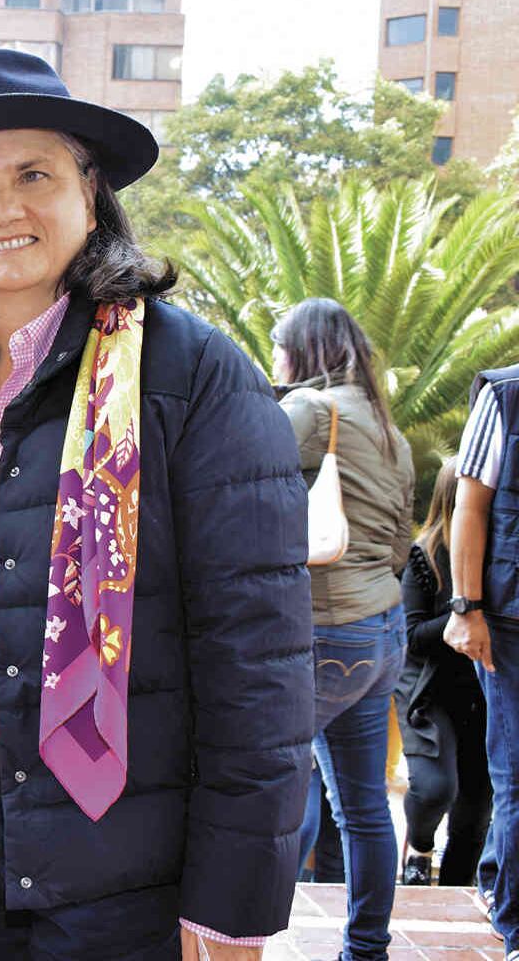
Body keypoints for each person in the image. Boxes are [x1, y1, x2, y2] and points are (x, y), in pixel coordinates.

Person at [0, 48, 314, 960]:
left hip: (124, 860)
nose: (4, 208)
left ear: (89, 190)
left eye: (35, 174)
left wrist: (231, 906)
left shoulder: (190, 378)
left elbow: (258, 662)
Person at [275, 297, 414, 960]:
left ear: (303, 350)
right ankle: (367, 950)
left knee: (272, 786)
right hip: (383, 629)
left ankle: (247, 934)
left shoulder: (309, 412)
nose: (275, 360)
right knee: (363, 807)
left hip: (329, 630)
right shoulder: (390, 430)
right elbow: (398, 544)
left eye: (280, 347)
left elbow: (231, 470)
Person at [446, 361, 519, 960]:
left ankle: (497, 881)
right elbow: (468, 504)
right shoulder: (505, 395)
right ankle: (517, 922)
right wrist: (465, 607)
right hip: (510, 621)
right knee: (516, 774)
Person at [397, 457, 491, 886]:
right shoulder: (426, 555)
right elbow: (412, 634)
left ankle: (455, 890)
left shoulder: (499, 556)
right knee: (435, 788)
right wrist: (464, 612)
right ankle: (419, 845)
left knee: (475, 811)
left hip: (483, 690)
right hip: (430, 690)